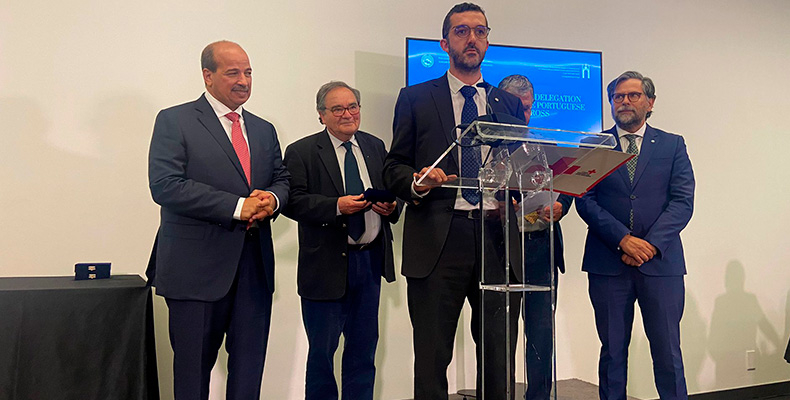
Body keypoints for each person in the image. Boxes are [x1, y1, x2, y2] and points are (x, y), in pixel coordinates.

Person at [383, 3, 526, 399]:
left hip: (497, 238)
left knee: (499, 357)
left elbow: (520, 163)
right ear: (445, 43)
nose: (472, 39)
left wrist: (518, 187)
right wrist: (417, 184)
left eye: (480, 31)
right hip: (438, 240)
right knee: (432, 357)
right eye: (462, 31)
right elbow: (394, 166)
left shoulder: (507, 103)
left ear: (487, 41)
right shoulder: (415, 98)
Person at [148, 40, 290, 400]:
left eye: (248, 72)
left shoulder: (263, 129)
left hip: (254, 270)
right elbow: (166, 186)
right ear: (207, 76)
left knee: (248, 375)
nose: (244, 80)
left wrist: (272, 199)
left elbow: (281, 179)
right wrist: (238, 206)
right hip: (195, 272)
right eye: (233, 73)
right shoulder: (174, 120)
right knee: (192, 376)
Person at [575, 71, 694, 400]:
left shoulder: (672, 144)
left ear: (650, 103)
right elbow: (585, 200)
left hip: (661, 265)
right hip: (607, 263)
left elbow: (682, 202)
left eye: (633, 95)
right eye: (618, 97)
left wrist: (649, 245)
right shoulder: (593, 145)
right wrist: (623, 240)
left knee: (668, 354)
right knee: (612, 353)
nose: (624, 102)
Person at [282, 81, 399, 400]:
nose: (348, 114)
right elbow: (293, 202)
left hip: (369, 262)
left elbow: (393, 192)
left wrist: (391, 207)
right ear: (321, 115)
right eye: (337, 109)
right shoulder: (302, 151)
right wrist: (336, 206)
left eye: (353, 107)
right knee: (322, 354)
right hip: (325, 267)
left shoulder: (375, 146)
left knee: (364, 351)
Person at [499, 74, 573, 400]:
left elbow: (568, 188)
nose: (524, 116)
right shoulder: (486, 148)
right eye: (518, 109)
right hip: (500, 246)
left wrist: (561, 205)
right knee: (500, 332)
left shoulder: (547, 146)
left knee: (541, 331)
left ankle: (539, 396)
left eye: (528, 109)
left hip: (541, 245)